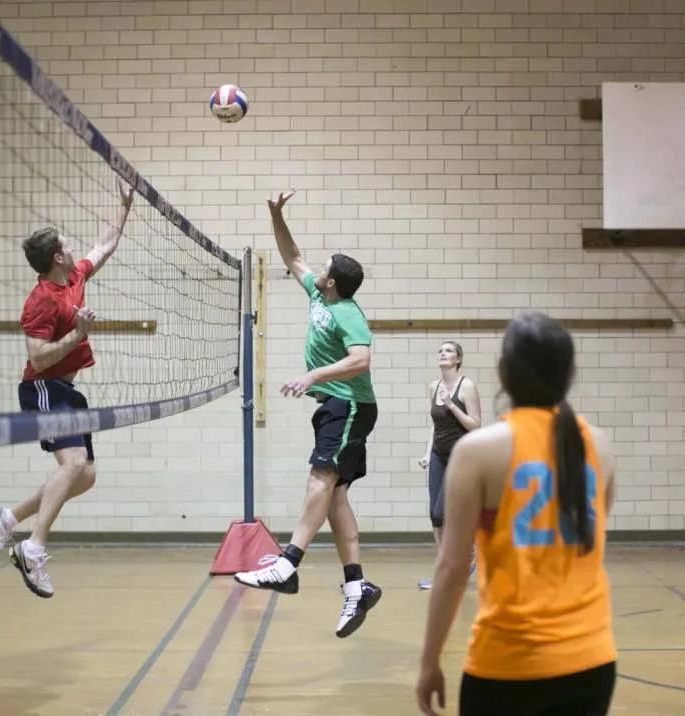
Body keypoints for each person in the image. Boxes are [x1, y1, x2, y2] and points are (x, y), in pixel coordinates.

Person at [416, 311, 618, 716]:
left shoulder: (479, 451)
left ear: (505, 374)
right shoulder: (599, 445)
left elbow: (452, 568)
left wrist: (429, 660)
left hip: (509, 661)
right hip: (592, 659)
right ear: (569, 373)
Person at [234, 189, 381, 639]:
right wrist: (277, 214)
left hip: (350, 405)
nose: (319, 269)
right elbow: (292, 254)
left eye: (327, 269)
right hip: (337, 407)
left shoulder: (346, 312)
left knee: (320, 477)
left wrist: (314, 375)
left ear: (333, 282)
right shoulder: (318, 293)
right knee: (335, 497)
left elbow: (361, 359)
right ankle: (357, 585)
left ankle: (288, 563)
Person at [0, 178, 135, 599]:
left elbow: (103, 247)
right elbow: (37, 358)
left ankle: (8, 520)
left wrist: (124, 207)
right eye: (67, 245)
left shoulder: (74, 279)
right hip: (43, 388)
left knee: (83, 476)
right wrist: (77, 335)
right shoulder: (43, 299)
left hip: (68, 392)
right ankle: (33, 549)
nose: (74, 249)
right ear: (56, 257)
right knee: (71, 467)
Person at [417, 340, 481, 590]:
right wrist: (426, 452)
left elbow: (475, 424)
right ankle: (448, 568)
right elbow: (435, 424)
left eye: (449, 351)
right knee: (435, 514)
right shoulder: (433, 386)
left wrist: (452, 405)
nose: (443, 354)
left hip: (460, 455)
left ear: (458, 359)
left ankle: (462, 559)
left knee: (444, 512)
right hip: (437, 454)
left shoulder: (467, 386)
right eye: (441, 351)